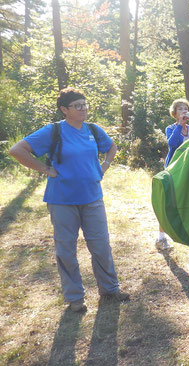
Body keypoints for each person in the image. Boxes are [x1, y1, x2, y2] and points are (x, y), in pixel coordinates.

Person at [9, 87, 129, 312]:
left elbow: (111, 147)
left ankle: (110, 289)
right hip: (62, 200)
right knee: (66, 249)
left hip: (92, 197)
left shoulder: (93, 129)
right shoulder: (52, 131)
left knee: (101, 245)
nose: (83, 108)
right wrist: (46, 169)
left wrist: (104, 166)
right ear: (64, 110)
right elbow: (17, 150)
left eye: (84, 104)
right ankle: (75, 299)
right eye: (77, 105)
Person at [155, 98, 189, 252]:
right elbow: (173, 144)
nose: (184, 111)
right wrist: (180, 125)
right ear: (174, 113)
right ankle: (161, 237)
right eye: (180, 109)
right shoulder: (171, 128)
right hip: (173, 170)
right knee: (168, 203)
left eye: (186, 108)